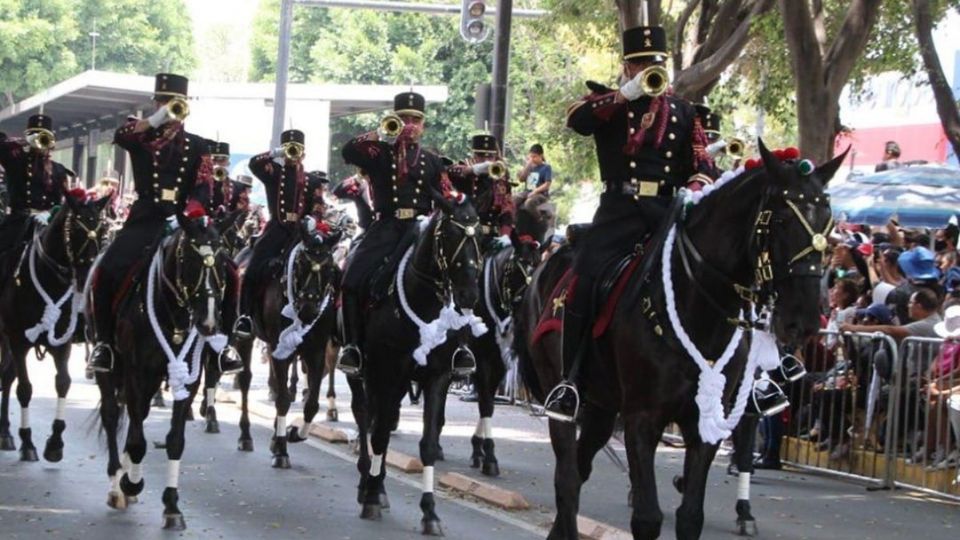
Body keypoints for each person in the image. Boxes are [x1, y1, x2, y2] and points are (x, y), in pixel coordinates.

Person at [544, 24, 715, 422]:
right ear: (626, 66)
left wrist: (693, 186)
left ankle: (725, 377)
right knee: (583, 281)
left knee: (711, 274)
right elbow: (577, 120)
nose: (647, 70)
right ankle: (569, 381)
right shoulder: (611, 104)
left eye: (654, 64)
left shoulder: (685, 112)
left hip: (668, 213)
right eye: (639, 63)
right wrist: (625, 94)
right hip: (619, 211)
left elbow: (704, 162)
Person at [88, 73, 242, 374]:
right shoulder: (142, 137)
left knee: (228, 271)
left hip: (183, 220)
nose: (170, 108)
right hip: (145, 218)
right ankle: (104, 344)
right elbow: (122, 136)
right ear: (156, 103)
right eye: (164, 101)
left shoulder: (197, 146)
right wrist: (157, 118)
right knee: (107, 269)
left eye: (176, 103)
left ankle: (224, 344)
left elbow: (203, 185)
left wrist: (193, 210)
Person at [336, 92, 464, 377]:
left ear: (423, 125)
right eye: (403, 118)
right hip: (386, 227)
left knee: (460, 276)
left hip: (421, 229)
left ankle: (459, 349)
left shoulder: (432, 160)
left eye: (415, 120)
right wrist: (382, 133)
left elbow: (444, 194)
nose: (409, 124)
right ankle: (353, 347)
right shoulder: (378, 152)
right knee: (351, 279)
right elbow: (348, 152)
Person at [234, 129, 310, 340]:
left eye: (297, 149)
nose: (293, 154)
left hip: (300, 232)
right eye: (289, 148)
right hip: (276, 228)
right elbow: (254, 163)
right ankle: (246, 317)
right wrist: (276, 152)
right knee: (251, 271)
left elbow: (314, 207)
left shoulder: (310, 179)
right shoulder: (273, 172)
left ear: (303, 153)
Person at [0, 114, 72, 265]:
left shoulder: (59, 170)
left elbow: (63, 203)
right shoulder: (17, 159)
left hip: (46, 223)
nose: (39, 142)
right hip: (19, 222)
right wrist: (12, 142)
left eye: (43, 138)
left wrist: (50, 214)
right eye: (34, 137)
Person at [446, 133, 516, 250]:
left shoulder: (500, 180)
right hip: (466, 235)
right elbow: (448, 171)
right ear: (474, 156)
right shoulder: (464, 173)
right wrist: (472, 170)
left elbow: (507, 210)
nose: (486, 161)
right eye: (481, 156)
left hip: (491, 237)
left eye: (490, 157)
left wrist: (505, 235)